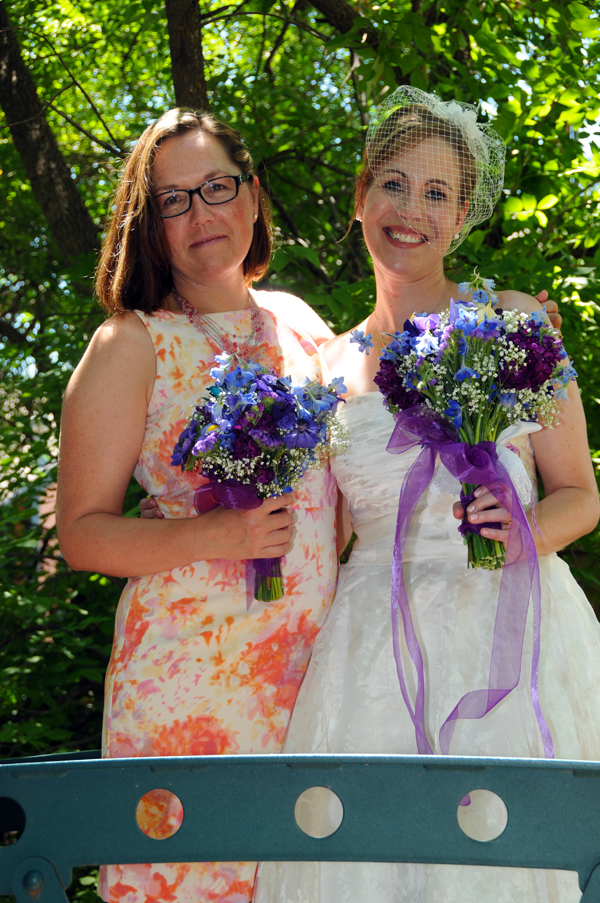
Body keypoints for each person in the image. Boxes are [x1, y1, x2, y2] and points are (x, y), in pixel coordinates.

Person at [253, 87, 600, 903]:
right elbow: (322, 537)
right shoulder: (325, 372)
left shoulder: (512, 320)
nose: (411, 209)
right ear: (362, 197)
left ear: (464, 213)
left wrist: (522, 533)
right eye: (394, 184)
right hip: (370, 648)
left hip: (517, 624)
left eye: (437, 192)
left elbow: (581, 494)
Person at [56, 108, 340, 903]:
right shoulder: (131, 343)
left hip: (316, 676)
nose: (201, 214)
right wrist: (220, 531)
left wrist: (517, 321)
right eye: (173, 200)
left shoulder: (303, 325)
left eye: (216, 187)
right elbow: (81, 534)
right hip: (190, 684)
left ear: (252, 198)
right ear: (150, 228)